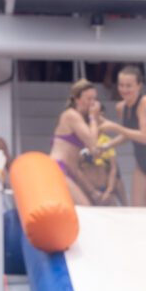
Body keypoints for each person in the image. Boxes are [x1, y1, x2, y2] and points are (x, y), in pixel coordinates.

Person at [99, 65, 146, 207]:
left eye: (129, 86)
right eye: (121, 85)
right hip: (142, 164)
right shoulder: (121, 107)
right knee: (138, 211)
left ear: (139, 86)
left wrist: (115, 127)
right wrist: (106, 146)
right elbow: (128, 134)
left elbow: (144, 137)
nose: (124, 90)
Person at [50, 78, 101, 206]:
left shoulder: (82, 120)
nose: (93, 103)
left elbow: (94, 152)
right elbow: (93, 143)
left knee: (80, 209)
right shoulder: (71, 115)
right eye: (89, 99)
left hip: (70, 171)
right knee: (85, 208)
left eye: (94, 99)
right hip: (58, 169)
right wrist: (93, 118)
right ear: (77, 99)